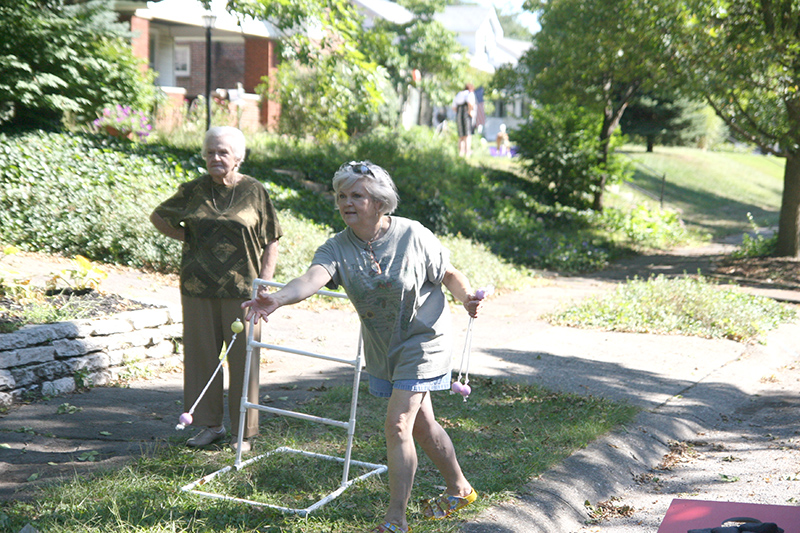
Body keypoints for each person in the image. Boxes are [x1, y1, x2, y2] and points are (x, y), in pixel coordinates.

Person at [241, 161, 483, 533]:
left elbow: (448, 273)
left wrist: (466, 297)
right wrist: (278, 298)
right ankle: (461, 488)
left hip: (425, 339)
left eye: (357, 195)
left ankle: (395, 521)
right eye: (341, 195)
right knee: (421, 424)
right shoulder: (337, 247)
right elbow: (312, 278)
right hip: (385, 346)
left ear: (379, 201)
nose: (346, 202)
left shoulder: (412, 235)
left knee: (398, 423)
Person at [150, 126, 282, 453]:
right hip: (198, 287)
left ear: (238, 157)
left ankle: (245, 432)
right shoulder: (194, 190)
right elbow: (159, 217)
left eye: (222, 152)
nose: (215, 158)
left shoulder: (255, 191)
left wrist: (264, 287)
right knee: (201, 359)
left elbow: (272, 241)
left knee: (244, 361)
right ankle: (211, 426)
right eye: (210, 152)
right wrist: (190, 238)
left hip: (244, 291)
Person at [452, 84, 476, 157]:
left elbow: (454, 107)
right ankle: (467, 153)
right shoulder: (469, 94)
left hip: (459, 115)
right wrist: (470, 111)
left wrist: (459, 112)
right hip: (466, 115)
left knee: (461, 136)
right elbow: (470, 103)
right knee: (467, 135)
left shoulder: (459, 94)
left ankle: (460, 154)